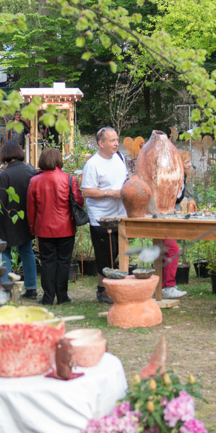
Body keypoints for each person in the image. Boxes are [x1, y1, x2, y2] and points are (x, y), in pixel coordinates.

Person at [27, 147, 84, 306]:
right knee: (64, 261)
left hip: (44, 228)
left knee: (47, 262)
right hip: (66, 227)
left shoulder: (34, 181)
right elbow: (79, 201)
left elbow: (31, 208)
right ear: (59, 159)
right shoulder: (69, 179)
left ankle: (48, 296)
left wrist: (32, 228)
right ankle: (62, 295)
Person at [81, 126, 127, 304]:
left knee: (117, 251)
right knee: (104, 254)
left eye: (117, 139)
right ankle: (102, 290)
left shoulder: (120, 158)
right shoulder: (92, 164)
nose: (117, 143)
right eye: (112, 140)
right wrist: (110, 193)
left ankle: (117, 287)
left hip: (120, 214)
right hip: (100, 217)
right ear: (101, 143)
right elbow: (86, 191)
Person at [0, 141, 38, 299]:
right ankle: (31, 287)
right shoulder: (31, 171)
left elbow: (1, 201)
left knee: (5, 253)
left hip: (8, 220)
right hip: (26, 218)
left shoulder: (4, 175)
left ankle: (6, 290)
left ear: (4, 155)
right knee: (27, 252)